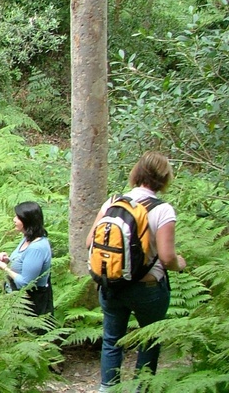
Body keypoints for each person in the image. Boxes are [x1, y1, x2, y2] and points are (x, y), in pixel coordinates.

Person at [86, 152, 186, 391]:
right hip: (148, 288)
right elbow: (166, 256)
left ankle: (107, 388)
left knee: (111, 340)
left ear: (136, 173)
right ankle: (142, 388)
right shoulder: (163, 210)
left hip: (112, 284)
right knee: (149, 340)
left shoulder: (112, 203)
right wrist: (179, 264)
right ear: (164, 179)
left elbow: (89, 241)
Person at [0, 201, 53, 317]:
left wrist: (6, 269)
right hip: (18, 301)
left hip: (32, 304)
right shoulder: (27, 238)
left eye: (18, 217)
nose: (14, 219)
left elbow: (25, 282)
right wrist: (8, 260)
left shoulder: (36, 248)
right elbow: (25, 263)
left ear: (28, 221)